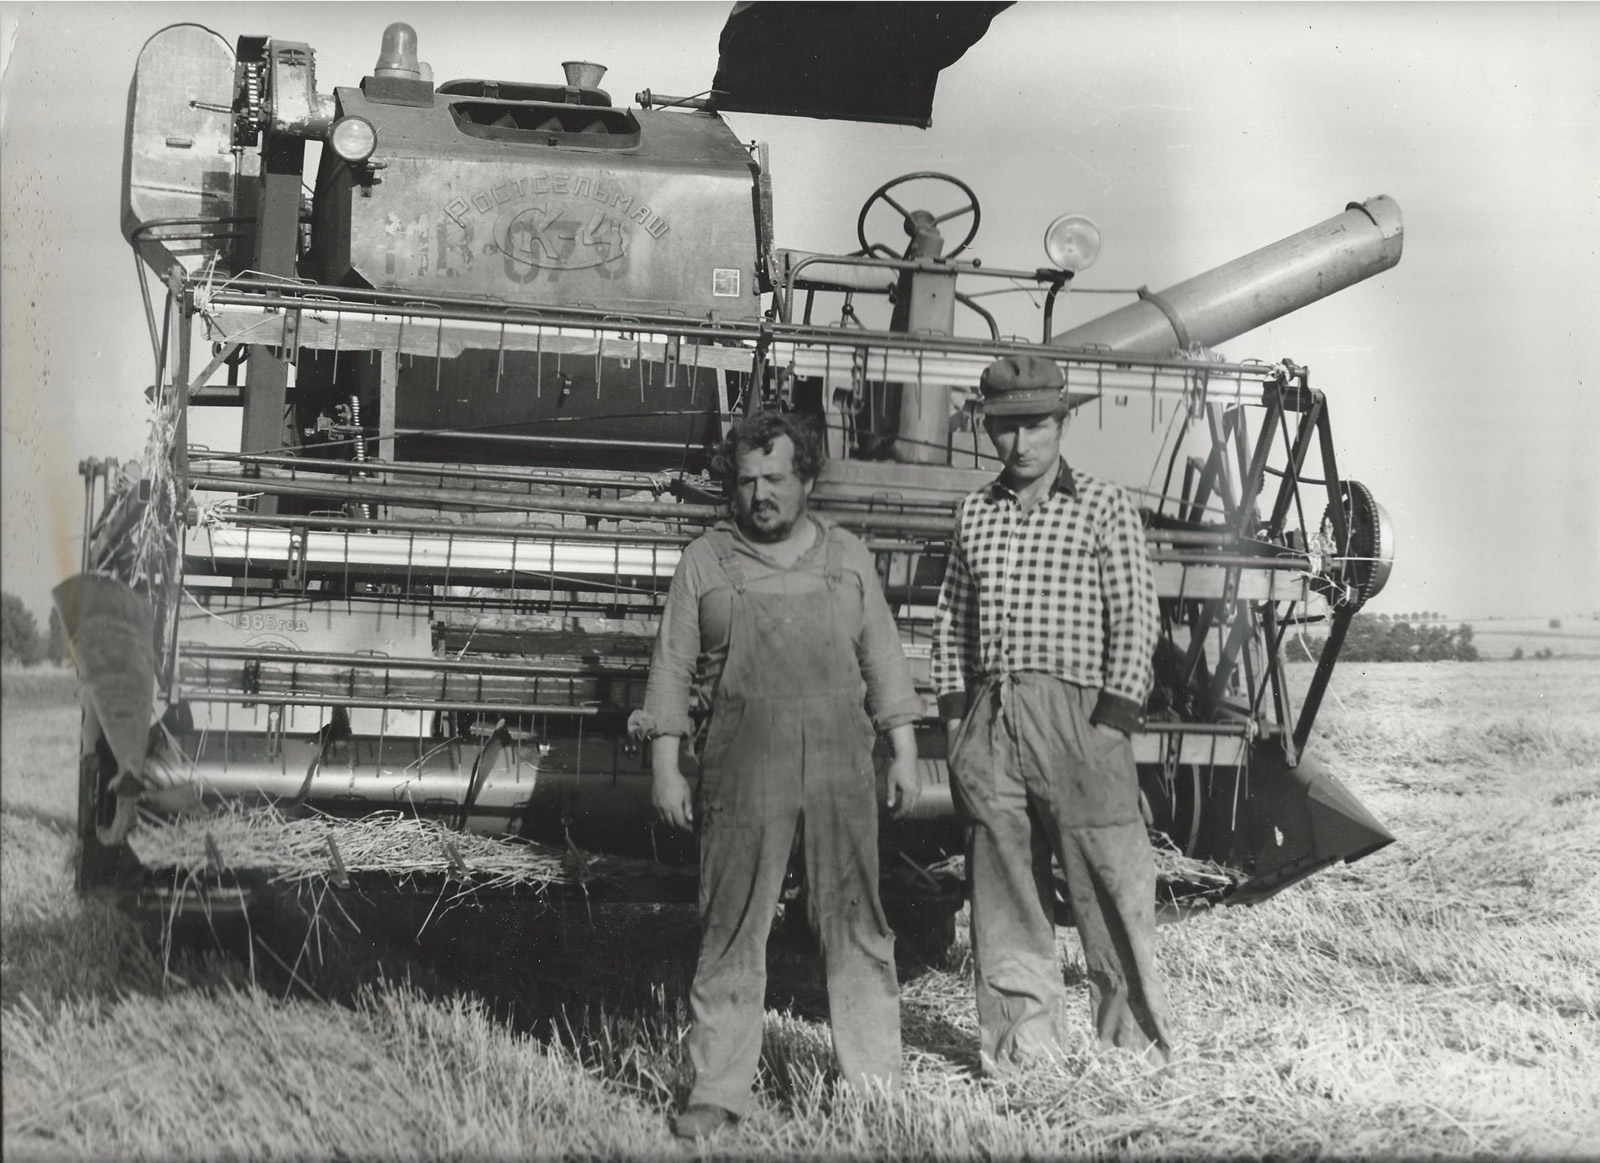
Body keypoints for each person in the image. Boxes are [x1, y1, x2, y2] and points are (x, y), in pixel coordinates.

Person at [642, 410, 923, 1138]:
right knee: (730, 928)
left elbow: (884, 657)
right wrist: (666, 766)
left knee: (856, 924)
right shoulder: (705, 562)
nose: (760, 493)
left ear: (807, 479)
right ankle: (715, 1093)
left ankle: (876, 1089)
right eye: (745, 481)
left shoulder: (847, 556)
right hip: (742, 770)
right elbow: (671, 667)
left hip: (839, 769)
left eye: (774, 478)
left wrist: (903, 749)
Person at [932, 353, 1174, 1073]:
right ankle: (1023, 1055)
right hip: (992, 718)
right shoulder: (974, 512)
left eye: (1035, 424)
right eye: (1005, 427)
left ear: (1061, 423)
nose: (1021, 442)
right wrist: (958, 726)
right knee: (1005, 895)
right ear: (988, 429)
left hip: (1079, 719)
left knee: (1109, 888)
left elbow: (1136, 617)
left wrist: (1110, 724)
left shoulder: (1104, 505)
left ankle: (1130, 1051)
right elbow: (951, 623)